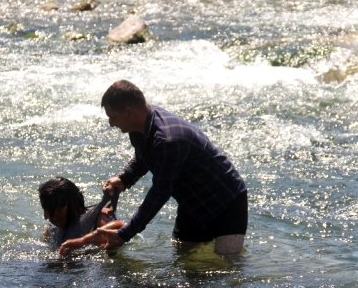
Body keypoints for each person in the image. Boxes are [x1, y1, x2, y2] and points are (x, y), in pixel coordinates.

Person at [94, 79, 248, 256]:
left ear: (129, 112)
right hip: (191, 202)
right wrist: (124, 179)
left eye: (112, 117)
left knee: (228, 270)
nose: (111, 123)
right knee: (184, 262)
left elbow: (160, 192)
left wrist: (125, 234)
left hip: (226, 201)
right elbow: (144, 157)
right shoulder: (138, 127)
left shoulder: (168, 139)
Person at [38, 176, 123, 256]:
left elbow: (119, 226)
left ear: (64, 207)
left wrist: (85, 241)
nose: (46, 217)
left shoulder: (100, 217)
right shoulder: (52, 228)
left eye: (49, 211)